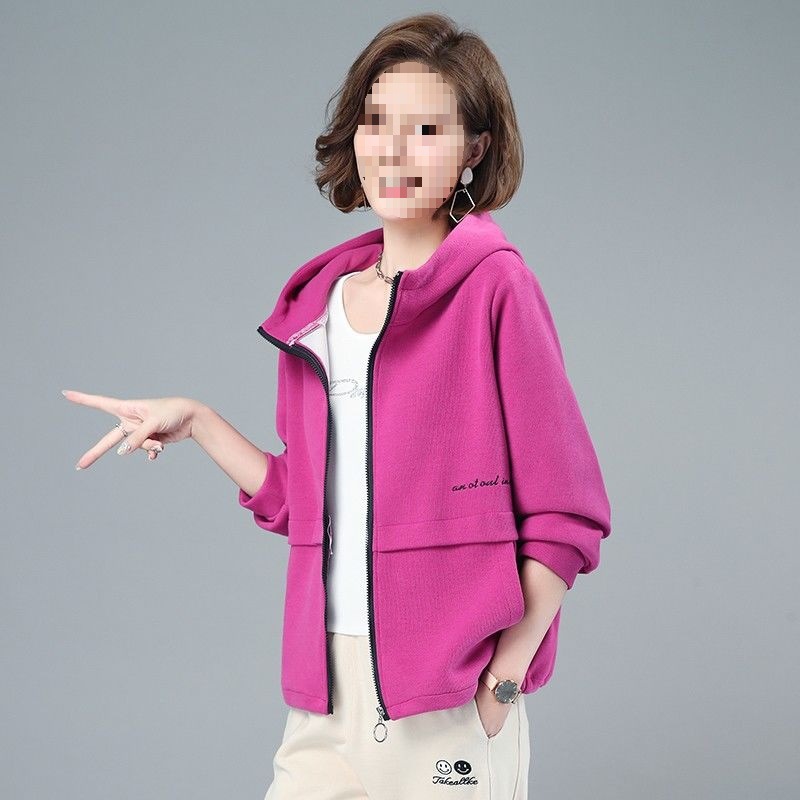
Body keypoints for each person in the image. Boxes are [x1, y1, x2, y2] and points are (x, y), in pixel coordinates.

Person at [63, 13, 612, 800]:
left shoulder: (496, 288)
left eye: (427, 129)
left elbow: (567, 516)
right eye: (376, 121)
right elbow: (308, 504)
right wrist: (199, 421)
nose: (393, 150)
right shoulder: (318, 308)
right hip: (324, 702)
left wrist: (501, 685)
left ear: (474, 149)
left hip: (448, 703)